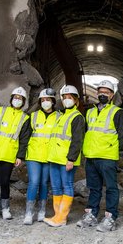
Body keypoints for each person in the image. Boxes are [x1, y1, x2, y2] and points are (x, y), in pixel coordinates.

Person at [77, 80, 123, 232]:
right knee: (94, 188)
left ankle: (110, 218)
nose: (103, 94)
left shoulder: (117, 112)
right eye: (100, 92)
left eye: (106, 92)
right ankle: (92, 215)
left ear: (112, 95)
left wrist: (111, 148)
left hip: (107, 157)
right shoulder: (90, 112)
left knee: (111, 188)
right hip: (91, 157)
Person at [0, 86, 32, 221]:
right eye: (16, 97)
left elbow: (24, 139)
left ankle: (5, 208)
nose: (17, 100)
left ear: (24, 101)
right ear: (11, 99)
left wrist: (20, 156)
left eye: (20, 99)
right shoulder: (0, 111)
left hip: (9, 154)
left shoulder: (25, 118)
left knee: (4, 182)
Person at [43, 85, 85, 227]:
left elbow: (77, 140)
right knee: (56, 187)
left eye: (70, 98)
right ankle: (57, 216)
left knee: (66, 186)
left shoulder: (77, 117)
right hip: (54, 157)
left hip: (66, 159)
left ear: (76, 100)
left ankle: (62, 217)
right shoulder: (61, 116)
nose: (67, 100)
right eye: (65, 98)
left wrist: (71, 159)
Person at [23, 88, 60, 225]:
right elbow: (25, 136)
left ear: (53, 101)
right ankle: (29, 212)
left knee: (44, 183)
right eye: (43, 100)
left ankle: (42, 211)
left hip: (49, 156)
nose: (45, 102)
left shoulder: (58, 117)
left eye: (48, 100)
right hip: (33, 154)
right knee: (34, 182)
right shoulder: (33, 116)